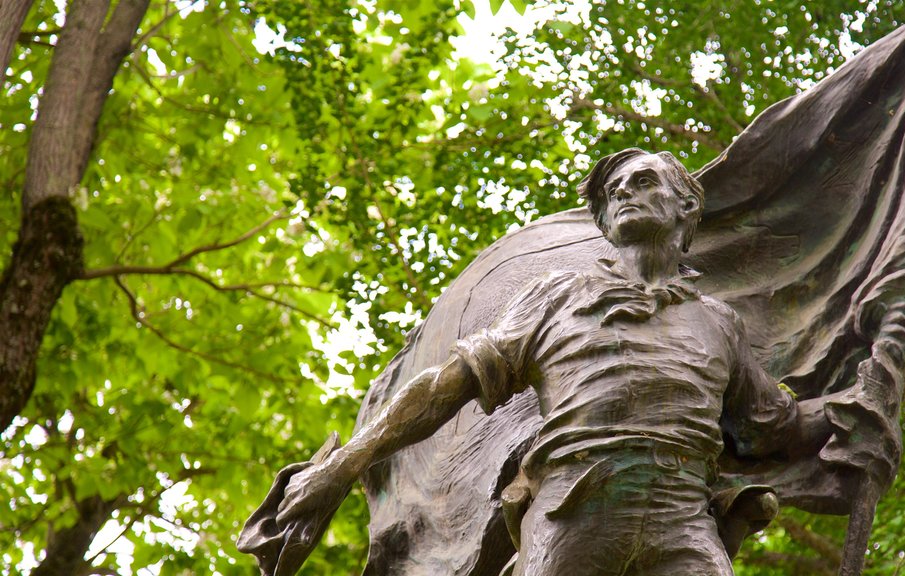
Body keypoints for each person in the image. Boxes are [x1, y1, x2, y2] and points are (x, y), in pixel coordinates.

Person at [247, 149, 850, 576]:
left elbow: (777, 425)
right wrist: (346, 464)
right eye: (613, 193)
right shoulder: (556, 296)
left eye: (641, 181)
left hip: (682, 517)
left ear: (686, 206)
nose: (622, 194)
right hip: (573, 506)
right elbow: (446, 386)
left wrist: (858, 407)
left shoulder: (720, 323)